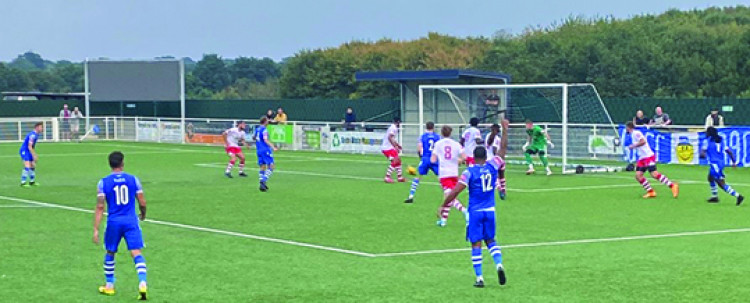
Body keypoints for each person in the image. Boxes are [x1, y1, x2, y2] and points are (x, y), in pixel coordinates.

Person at [443, 146, 506, 288]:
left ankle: (480, 278)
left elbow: (455, 191)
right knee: (491, 240)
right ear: (486, 157)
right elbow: (502, 151)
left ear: (474, 156)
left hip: (475, 212)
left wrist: (444, 205)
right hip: (490, 210)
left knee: (476, 244)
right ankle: (499, 264)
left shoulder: (469, 172)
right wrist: (505, 130)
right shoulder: (492, 166)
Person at [92, 151, 149, 300]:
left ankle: (109, 286)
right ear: (122, 163)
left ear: (110, 164)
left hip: (114, 222)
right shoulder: (133, 179)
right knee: (136, 252)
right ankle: (142, 282)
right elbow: (142, 201)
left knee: (110, 252)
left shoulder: (103, 183)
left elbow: (100, 207)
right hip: (131, 221)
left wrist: (96, 229)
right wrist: (143, 213)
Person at [625, 122, 679, 199]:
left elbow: (643, 141)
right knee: (638, 176)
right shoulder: (632, 134)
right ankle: (651, 192)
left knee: (654, 174)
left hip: (648, 156)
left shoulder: (636, 133)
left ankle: (672, 185)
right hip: (642, 158)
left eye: (626, 127)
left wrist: (633, 146)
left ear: (628, 127)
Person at [431, 125, 468, 227]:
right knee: (448, 196)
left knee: (449, 197)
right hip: (454, 173)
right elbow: (464, 157)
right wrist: (458, 160)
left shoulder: (438, 144)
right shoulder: (456, 144)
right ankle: (443, 221)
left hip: (444, 174)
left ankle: (465, 211)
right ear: (450, 133)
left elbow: (433, 160)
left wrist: (440, 159)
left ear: (442, 133)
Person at [702, 126, 743, 205]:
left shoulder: (707, 141)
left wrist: (702, 155)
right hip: (721, 163)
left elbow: (702, 153)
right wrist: (734, 162)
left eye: (707, 132)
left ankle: (738, 196)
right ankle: (715, 197)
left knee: (721, 183)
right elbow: (729, 152)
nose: (705, 133)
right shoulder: (721, 141)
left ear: (709, 133)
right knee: (710, 178)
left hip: (715, 165)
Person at [405, 122, 441, 203]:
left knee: (418, 176)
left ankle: (411, 196)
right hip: (434, 159)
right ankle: (449, 195)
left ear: (426, 127)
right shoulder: (438, 137)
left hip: (425, 159)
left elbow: (419, 148)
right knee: (441, 178)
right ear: (433, 127)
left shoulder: (422, 137)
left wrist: (420, 157)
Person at [484, 121, 509, 200]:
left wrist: (496, 157)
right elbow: (502, 147)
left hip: (491, 159)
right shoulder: (497, 138)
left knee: (495, 176)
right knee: (501, 175)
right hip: (500, 159)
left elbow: (492, 147)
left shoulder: (490, 136)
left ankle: (500, 189)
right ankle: (503, 190)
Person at [254, 117, 278, 192]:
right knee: (271, 166)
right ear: (265, 121)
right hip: (265, 149)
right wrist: (273, 147)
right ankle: (263, 181)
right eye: (267, 120)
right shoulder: (264, 129)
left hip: (258, 150)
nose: (268, 122)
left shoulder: (257, 129)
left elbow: (253, 137)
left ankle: (262, 185)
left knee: (262, 166)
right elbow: (265, 139)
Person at [381, 117, 405, 183]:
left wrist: (397, 145)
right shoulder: (393, 128)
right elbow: (390, 137)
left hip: (388, 147)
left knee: (398, 161)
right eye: (399, 122)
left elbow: (392, 138)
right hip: (387, 148)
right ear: (397, 122)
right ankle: (387, 177)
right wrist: (395, 146)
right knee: (395, 160)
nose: (400, 124)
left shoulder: (393, 127)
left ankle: (400, 177)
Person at [19, 122, 43, 187]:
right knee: (27, 165)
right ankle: (23, 182)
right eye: (41, 127)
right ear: (37, 127)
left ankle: (32, 182)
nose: (42, 129)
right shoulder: (33, 135)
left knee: (33, 165)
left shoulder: (36, 135)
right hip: (25, 150)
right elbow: (29, 146)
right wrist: (34, 155)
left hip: (28, 150)